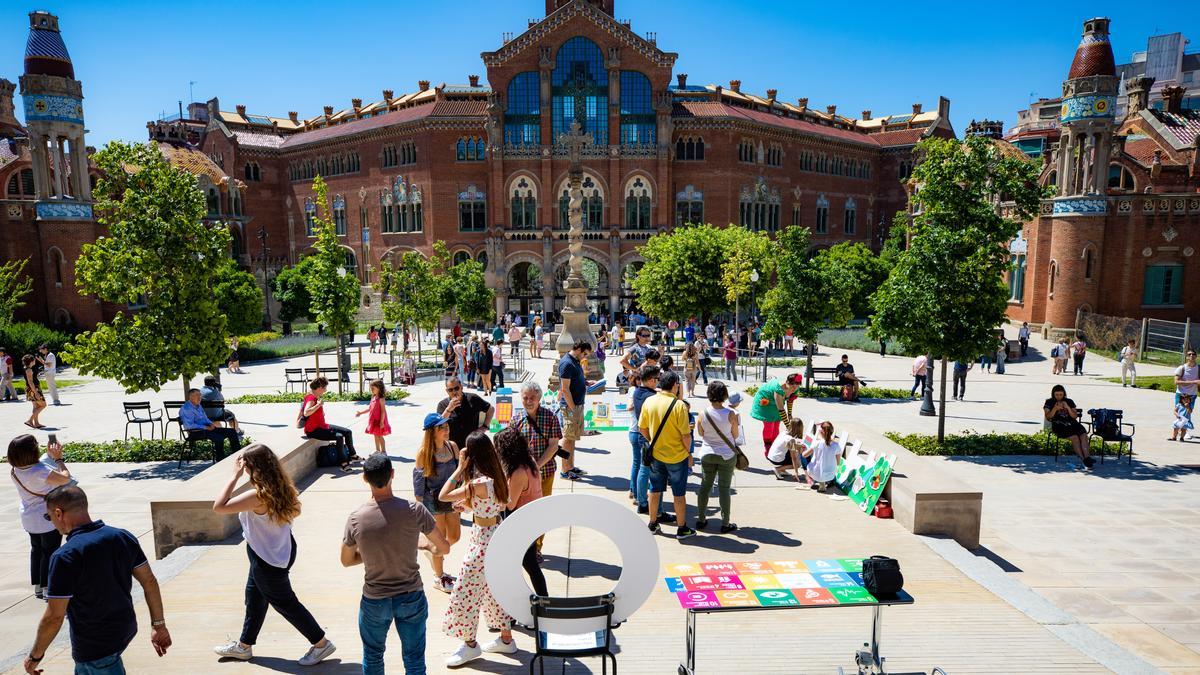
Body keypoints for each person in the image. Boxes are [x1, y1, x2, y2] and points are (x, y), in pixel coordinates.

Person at [25, 485, 171, 674]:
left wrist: (35, 656)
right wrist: (158, 626)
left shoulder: (65, 556)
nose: (51, 522)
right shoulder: (122, 537)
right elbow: (149, 581)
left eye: (49, 516)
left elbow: (54, 617)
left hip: (95, 648)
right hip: (123, 632)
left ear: (59, 513)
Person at [212, 445, 336, 665]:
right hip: (279, 549)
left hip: (267, 558)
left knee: (286, 603)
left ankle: (321, 643)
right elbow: (294, 511)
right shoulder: (283, 488)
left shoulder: (257, 496)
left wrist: (234, 476)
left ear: (253, 468)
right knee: (254, 598)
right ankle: (244, 646)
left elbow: (219, 507)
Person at [343, 453, 448, 675]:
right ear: (392, 474)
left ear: (364, 478)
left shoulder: (356, 518)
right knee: (414, 659)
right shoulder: (415, 510)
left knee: (373, 656)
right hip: (411, 596)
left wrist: (372, 552)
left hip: (374, 600)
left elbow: (346, 560)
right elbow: (444, 548)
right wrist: (426, 546)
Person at [439, 431, 517, 667]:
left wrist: (460, 468)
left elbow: (443, 495)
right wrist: (471, 505)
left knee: (465, 592)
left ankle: (470, 644)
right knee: (495, 589)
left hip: (482, 541)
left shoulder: (479, 483)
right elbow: (496, 504)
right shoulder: (499, 475)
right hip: (496, 533)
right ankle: (506, 638)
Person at [9, 434, 72, 600]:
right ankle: (47, 587)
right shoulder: (40, 471)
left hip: (29, 516)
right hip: (46, 516)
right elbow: (66, 478)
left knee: (36, 549)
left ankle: (37, 585)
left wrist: (48, 457)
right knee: (50, 551)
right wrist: (58, 460)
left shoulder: (15, 470)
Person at [507, 381, 564, 556]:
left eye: (532, 397)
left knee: (541, 513)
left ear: (539, 398)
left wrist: (535, 466)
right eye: (525, 398)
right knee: (521, 512)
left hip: (544, 473)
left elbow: (554, 446)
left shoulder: (550, 417)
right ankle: (524, 545)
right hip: (521, 479)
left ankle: (537, 547)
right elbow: (510, 447)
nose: (529, 401)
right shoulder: (516, 420)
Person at [639, 370, 696, 539]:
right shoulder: (679, 406)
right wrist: (689, 453)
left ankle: (652, 523)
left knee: (654, 489)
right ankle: (681, 527)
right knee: (679, 493)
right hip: (677, 456)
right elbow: (686, 435)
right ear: (674, 386)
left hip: (656, 454)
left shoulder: (649, 402)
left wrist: (653, 441)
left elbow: (642, 428)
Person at [495, 428, 548, 597]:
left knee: (528, 564)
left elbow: (509, 505)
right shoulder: (530, 462)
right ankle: (543, 599)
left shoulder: (518, 472)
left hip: (522, 523)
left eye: (498, 448)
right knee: (530, 564)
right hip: (532, 519)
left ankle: (542, 601)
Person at [414, 413, 461, 594]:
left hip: (451, 498)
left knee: (454, 536)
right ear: (432, 432)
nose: (446, 429)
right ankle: (439, 577)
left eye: (447, 426)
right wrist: (419, 508)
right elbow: (419, 484)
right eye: (442, 427)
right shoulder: (423, 453)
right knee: (440, 538)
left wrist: (462, 495)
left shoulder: (453, 447)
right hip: (432, 501)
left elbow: (460, 474)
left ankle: (434, 551)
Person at [694, 381, 741, 533]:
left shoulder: (702, 413)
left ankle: (701, 519)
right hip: (726, 454)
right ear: (725, 396)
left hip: (707, 453)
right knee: (724, 489)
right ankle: (725, 523)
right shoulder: (731, 414)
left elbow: (701, 433)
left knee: (705, 486)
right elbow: (735, 435)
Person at [301, 377, 358, 470]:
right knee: (339, 436)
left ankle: (353, 455)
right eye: (324, 388)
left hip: (322, 426)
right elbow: (306, 412)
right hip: (313, 430)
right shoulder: (311, 398)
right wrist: (318, 405)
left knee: (347, 432)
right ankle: (343, 463)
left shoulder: (314, 397)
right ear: (319, 388)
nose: (325, 390)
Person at [628, 366, 661, 516]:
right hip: (650, 437)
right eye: (656, 379)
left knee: (641, 467)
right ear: (650, 380)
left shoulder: (637, 392)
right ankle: (655, 508)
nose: (658, 382)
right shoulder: (652, 397)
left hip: (639, 434)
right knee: (653, 473)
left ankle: (641, 500)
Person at [557, 340, 591, 480]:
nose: (585, 357)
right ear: (578, 349)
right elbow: (565, 389)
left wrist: (586, 383)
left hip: (576, 405)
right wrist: (573, 409)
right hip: (571, 407)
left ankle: (570, 466)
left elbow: (574, 380)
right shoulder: (567, 363)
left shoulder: (574, 361)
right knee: (568, 438)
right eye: (585, 354)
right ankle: (565, 470)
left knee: (572, 438)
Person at [749, 373, 802, 459]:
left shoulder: (795, 387)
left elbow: (790, 400)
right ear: (787, 383)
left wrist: (789, 415)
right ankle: (768, 448)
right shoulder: (779, 389)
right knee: (769, 426)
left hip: (776, 403)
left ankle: (774, 445)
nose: (794, 388)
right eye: (792, 386)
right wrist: (789, 427)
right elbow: (781, 409)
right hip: (765, 401)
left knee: (776, 424)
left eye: (797, 385)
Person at [182, 388, 241, 461]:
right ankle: (220, 459)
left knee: (231, 432)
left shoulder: (198, 405)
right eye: (197, 395)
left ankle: (238, 456)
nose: (199, 397)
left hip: (205, 429)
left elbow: (205, 418)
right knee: (218, 438)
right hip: (195, 432)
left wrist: (210, 424)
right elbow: (189, 426)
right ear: (190, 397)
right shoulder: (187, 409)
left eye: (200, 395)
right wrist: (206, 427)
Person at [1044, 385, 1095, 469]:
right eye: (1057, 395)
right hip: (1059, 426)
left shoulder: (1069, 401)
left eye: (1061, 394)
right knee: (1075, 438)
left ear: (1064, 394)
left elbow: (1075, 416)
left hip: (1073, 424)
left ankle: (1087, 457)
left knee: (1083, 435)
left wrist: (1067, 407)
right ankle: (1084, 460)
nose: (1059, 397)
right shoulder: (1049, 402)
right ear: (1053, 394)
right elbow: (1048, 417)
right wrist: (1055, 409)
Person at [436, 377, 495, 449]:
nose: (454, 392)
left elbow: (491, 409)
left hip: (472, 444)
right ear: (447, 391)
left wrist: (485, 426)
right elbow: (438, 425)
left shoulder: (472, 398)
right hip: (452, 447)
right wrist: (449, 409)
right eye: (450, 390)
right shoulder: (443, 405)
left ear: (461, 387)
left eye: (456, 388)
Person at [804, 421, 843, 492]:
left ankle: (810, 479)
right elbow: (838, 462)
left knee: (804, 455)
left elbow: (804, 455)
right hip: (830, 474)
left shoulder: (817, 443)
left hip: (814, 473)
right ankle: (824, 482)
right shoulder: (836, 445)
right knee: (826, 465)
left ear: (821, 432)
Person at [355, 379, 392, 455]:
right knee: (375, 435)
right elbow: (369, 408)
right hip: (373, 420)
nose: (371, 390)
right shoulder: (373, 397)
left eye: (373, 389)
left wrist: (382, 421)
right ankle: (377, 450)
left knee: (380, 435)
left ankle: (384, 451)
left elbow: (383, 411)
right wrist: (361, 413)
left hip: (379, 420)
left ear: (379, 388)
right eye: (371, 389)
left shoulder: (381, 399)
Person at [766, 418, 807, 483]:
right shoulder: (790, 440)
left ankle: (782, 470)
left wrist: (798, 445)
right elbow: (793, 457)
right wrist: (796, 472)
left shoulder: (784, 432)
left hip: (771, 455)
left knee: (796, 451)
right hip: (776, 459)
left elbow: (789, 445)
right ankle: (778, 469)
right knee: (798, 463)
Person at [1174, 351, 1200, 430]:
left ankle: (1184, 430)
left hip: (1192, 394)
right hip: (1181, 394)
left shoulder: (1199, 368)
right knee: (1178, 412)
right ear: (1186, 357)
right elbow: (1176, 382)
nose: (1191, 355)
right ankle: (1180, 428)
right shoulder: (1181, 368)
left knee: (1188, 412)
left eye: (1193, 354)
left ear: (1196, 356)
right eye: (1189, 354)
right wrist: (1194, 382)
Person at [21, 354, 46, 429]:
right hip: (34, 389)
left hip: (31, 389)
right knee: (43, 405)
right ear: (31, 361)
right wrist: (36, 392)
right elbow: (30, 382)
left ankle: (36, 423)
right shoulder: (29, 370)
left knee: (36, 406)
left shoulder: (26, 368)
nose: (35, 361)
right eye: (34, 360)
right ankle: (29, 420)